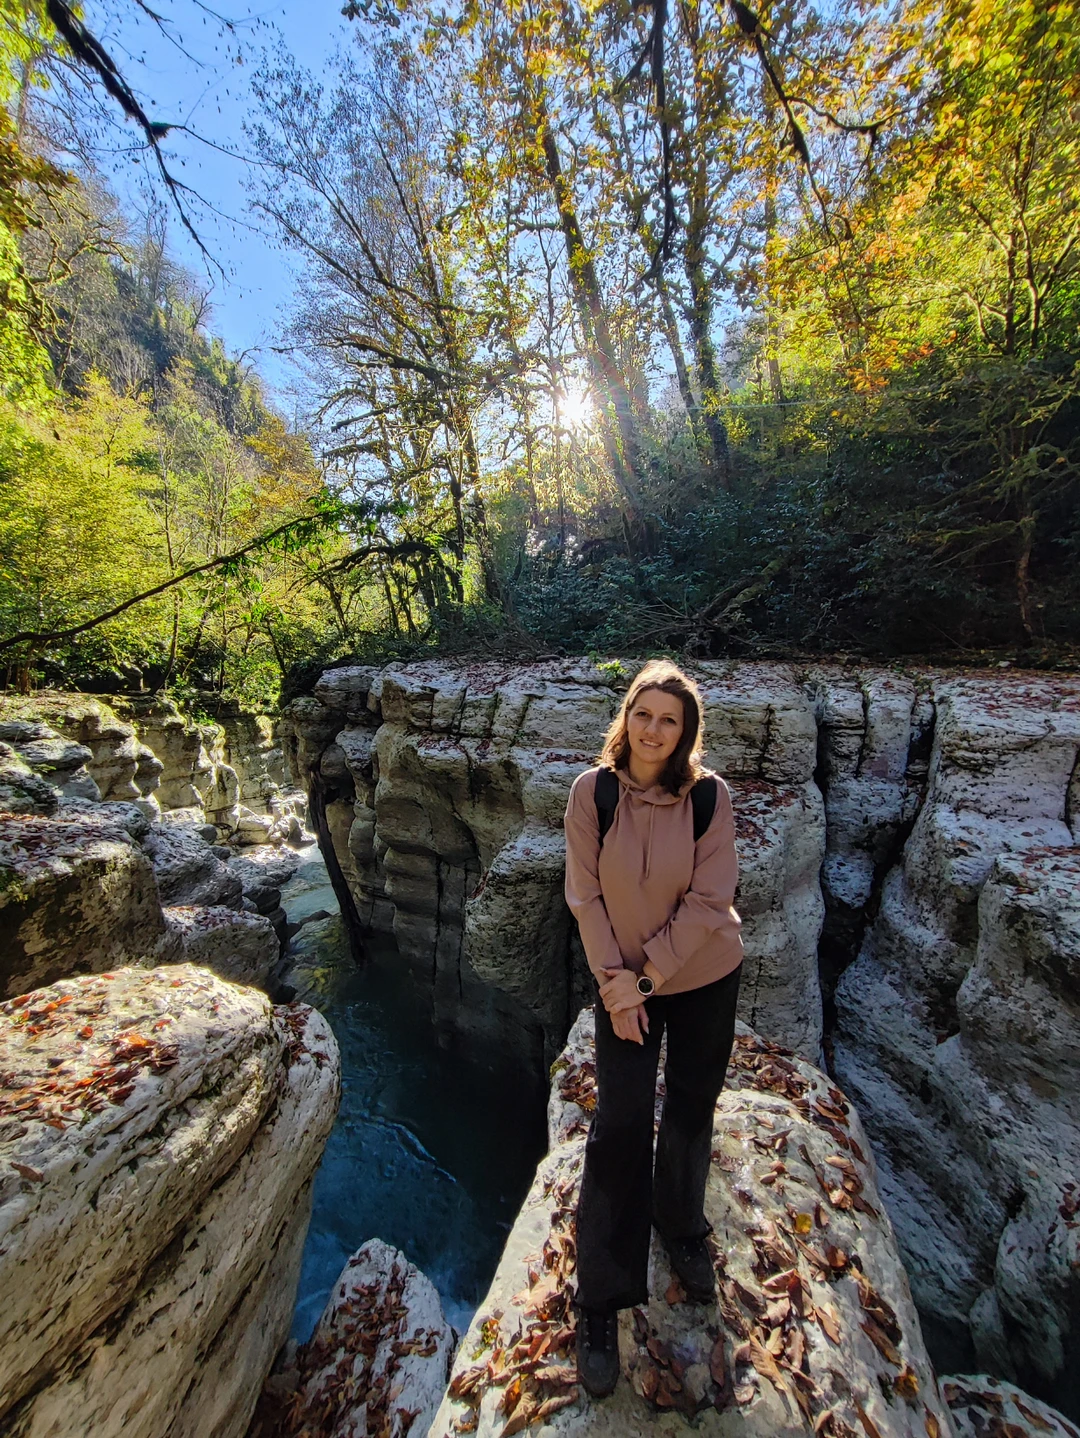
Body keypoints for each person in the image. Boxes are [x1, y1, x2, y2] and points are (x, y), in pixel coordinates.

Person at [562, 659, 744, 1399]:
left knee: (692, 1109)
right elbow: (584, 894)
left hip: (701, 976)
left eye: (669, 719)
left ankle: (680, 1224)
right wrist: (619, 988)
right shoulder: (592, 792)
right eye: (644, 713)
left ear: (685, 731)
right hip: (624, 986)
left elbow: (710, 902)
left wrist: (642, 981)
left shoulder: (709, 798)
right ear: (626, 715)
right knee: (620, 1125)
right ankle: (599, 1299)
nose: (653, 729)